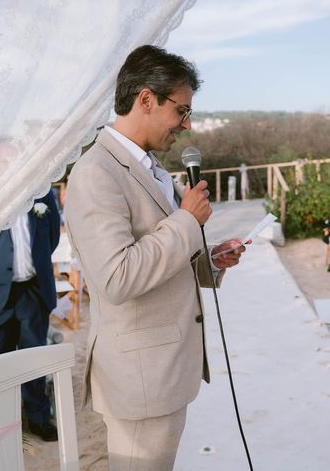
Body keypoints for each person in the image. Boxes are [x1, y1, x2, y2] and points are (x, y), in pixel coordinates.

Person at [64, 45, 246, 471]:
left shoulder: (152, 168)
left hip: (166, 370)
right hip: (139, 379)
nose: (186, 125)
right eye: (181, 111)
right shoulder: (96, 173)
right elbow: (118, 277)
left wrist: (212, 261)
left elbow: (165, 260)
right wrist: (185, 222)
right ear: (146, 99)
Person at [0, 187, 60, 443]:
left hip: (33, 288)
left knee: (34, 357)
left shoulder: (41, 188)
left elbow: (52, 235)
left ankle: (39, 419)